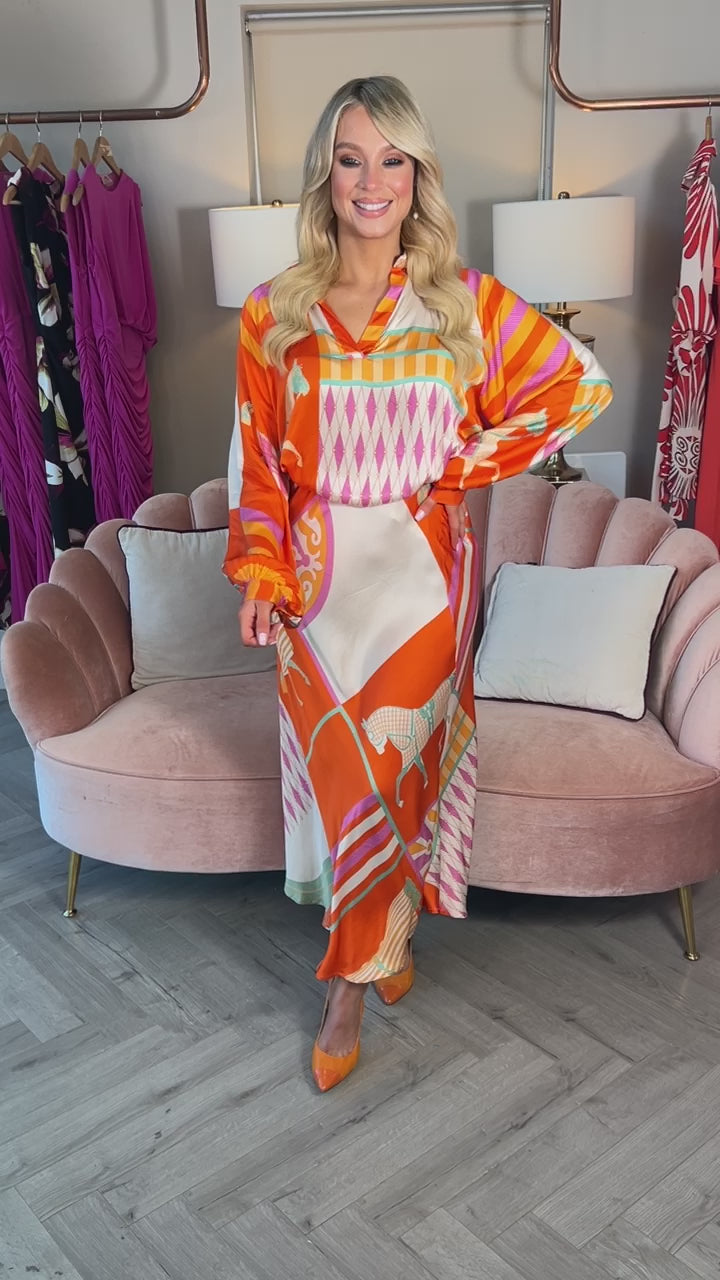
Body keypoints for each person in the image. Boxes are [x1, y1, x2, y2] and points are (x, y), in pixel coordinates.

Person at [223, 75, 613, 1092]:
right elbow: (257, 458)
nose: (372, 180)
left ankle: (347, 989)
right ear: (326, 174)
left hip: (422, 585)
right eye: (351, 158)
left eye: (392, 159)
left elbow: (578, 384)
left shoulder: (460, 304)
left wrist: (463, 466)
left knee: (387, 773)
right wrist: (260, 568)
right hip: (315, 590)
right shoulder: (275, 311)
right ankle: (387, 938)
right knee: (345, 784)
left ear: (417, 174)